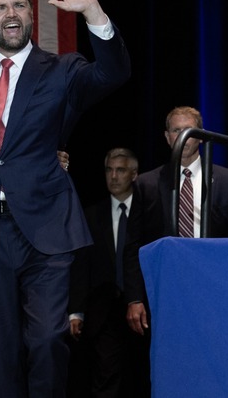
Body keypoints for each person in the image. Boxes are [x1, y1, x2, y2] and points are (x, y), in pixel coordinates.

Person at [0, 0, 130, 397]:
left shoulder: (62, 70)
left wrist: (94, 12)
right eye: (0, 7)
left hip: (46, 229)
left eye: (19, 5)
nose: (10, 14)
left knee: (49, 340)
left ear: (32, 13)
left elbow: (114, 74)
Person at [128, 106, 228, 342]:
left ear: (202, 136)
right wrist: (134, 298)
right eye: (176, 130)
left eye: (189, 130)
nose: (183, 136)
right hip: (166, 286)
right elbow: (133, 244)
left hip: (215, 284)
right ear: (167, 137)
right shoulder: (146, 184)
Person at [67, 148, 150, 398]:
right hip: (103, 312)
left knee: (144, 376)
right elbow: (82, 265)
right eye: (109, 170)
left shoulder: (150, 210)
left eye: (121, 170)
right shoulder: (91, 214)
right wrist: (76, 310)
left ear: (135, 174)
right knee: (105, 380)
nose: (113, 176)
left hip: (144, 310)